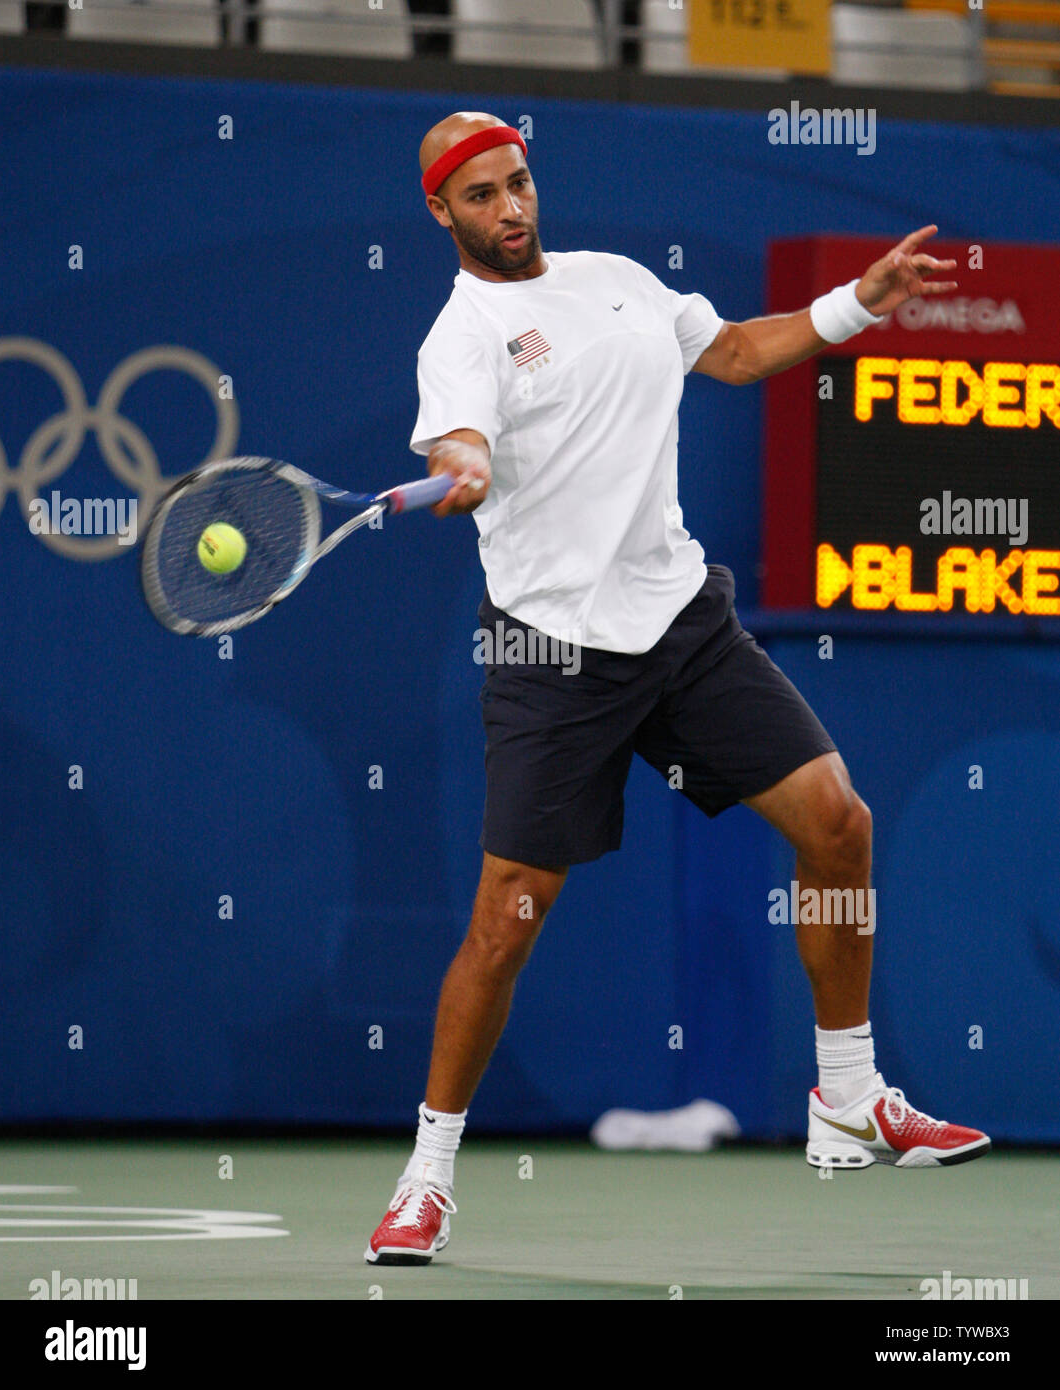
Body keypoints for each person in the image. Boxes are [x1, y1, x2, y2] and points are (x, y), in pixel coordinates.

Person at [365, 111, 990, 1265]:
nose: (511, 208)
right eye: (482, 196)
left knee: (838, 826)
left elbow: (739, 353)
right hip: (553, 654)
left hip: (679, 623)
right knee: (507, 922)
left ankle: (848, 1094)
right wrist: (461, 464)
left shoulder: (617, 281)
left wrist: (863, 298)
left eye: (519, 183)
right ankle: (427, 1175)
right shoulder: (462, 338)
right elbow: (462, 441)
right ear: (441, 214)